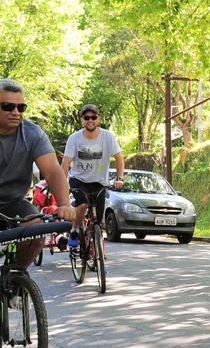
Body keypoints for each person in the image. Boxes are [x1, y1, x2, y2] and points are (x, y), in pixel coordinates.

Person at [0, 78, 77, 267]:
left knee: (37, 232)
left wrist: (64, 204)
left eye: (21, 107)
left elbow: (52, 171)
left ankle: (16, 278)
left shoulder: (32, 133)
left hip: (13, 203)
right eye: (8, 106)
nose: (16, 112)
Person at [62, 104, 125, 248]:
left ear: (99, 118)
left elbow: (119, 158)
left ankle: (99, 254)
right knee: (82, 205)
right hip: (79, 179)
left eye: (93, 117)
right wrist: (63, 183)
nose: (90, 120)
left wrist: (119, 179)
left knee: (99, 221)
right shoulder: (75, 138)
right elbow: (65, 163)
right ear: (82, 120)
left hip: (99, 182)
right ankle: (74, 231)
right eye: (86, 118)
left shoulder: (107, 136)